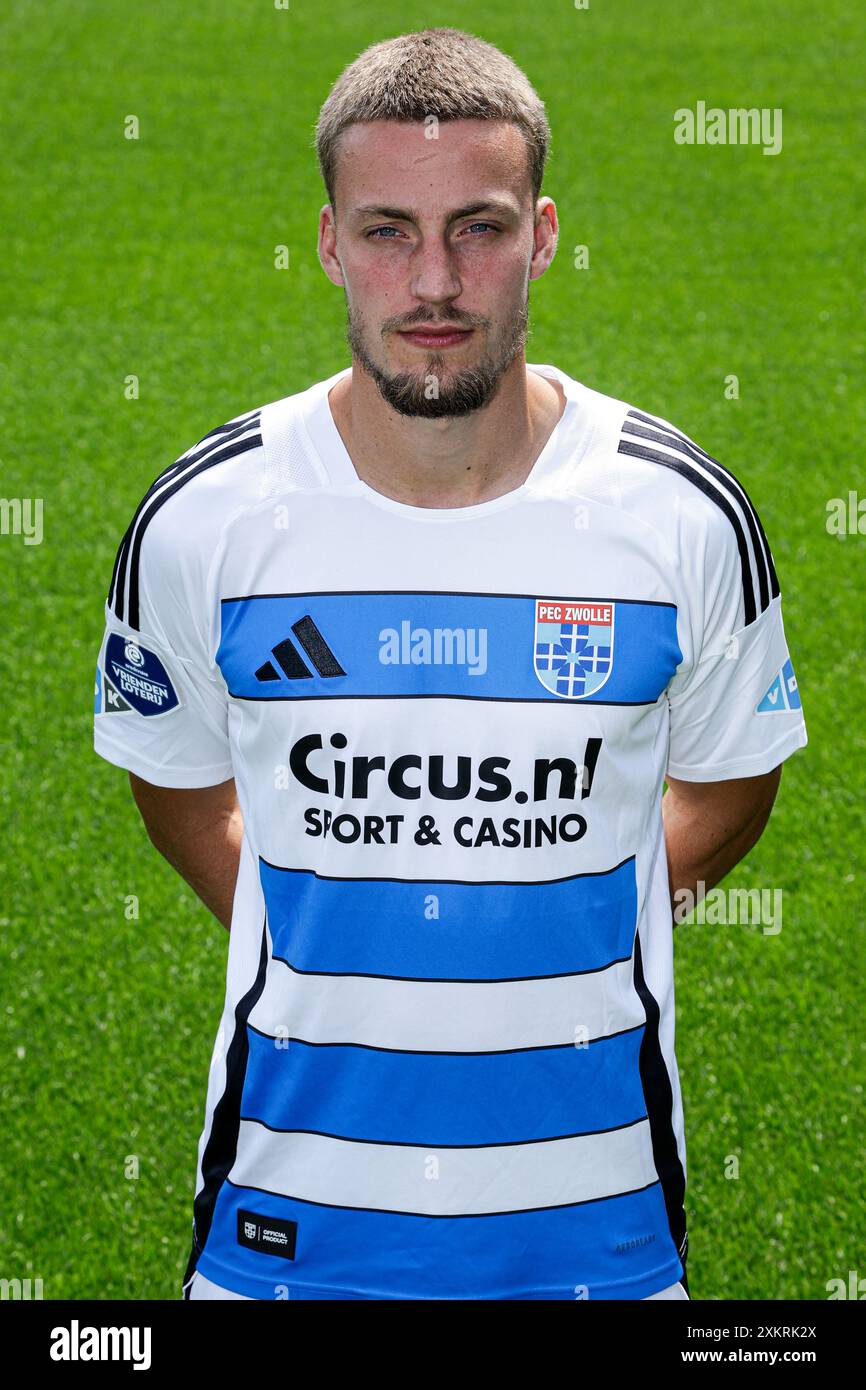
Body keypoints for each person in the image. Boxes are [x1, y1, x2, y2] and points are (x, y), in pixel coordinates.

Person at [93, 27, 807, 1301]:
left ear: (539, 234)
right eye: (385, 231)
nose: (433, 280)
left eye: (475, 228)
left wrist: (588, 912)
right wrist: (307, 922)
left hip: (603, 1238)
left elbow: (732, 782)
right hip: (282, 1240)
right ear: (327, 244)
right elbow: (176, 783)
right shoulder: (202, 521)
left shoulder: (679, 518)